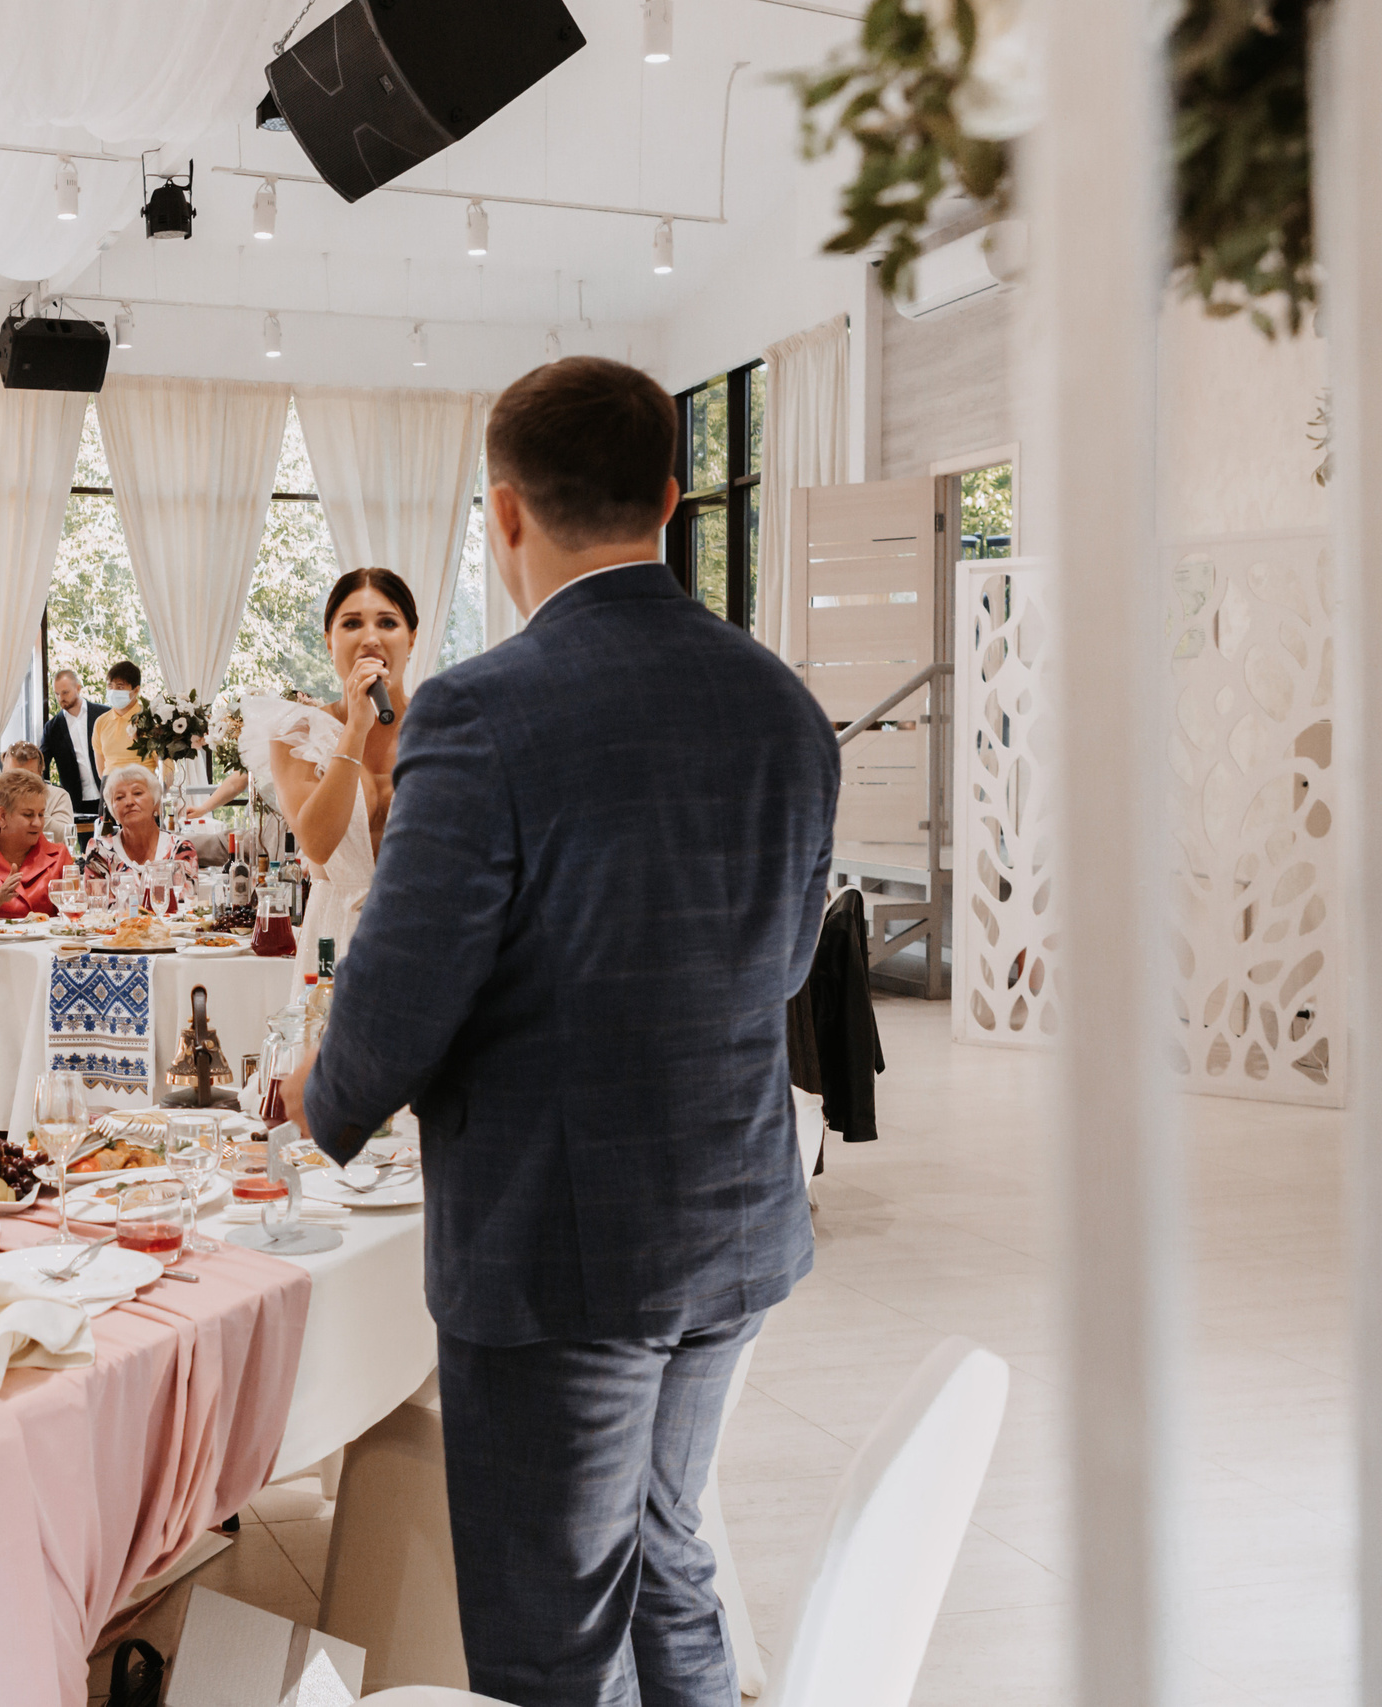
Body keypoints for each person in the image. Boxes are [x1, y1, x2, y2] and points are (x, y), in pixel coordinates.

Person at [283, 357, 840, 1706]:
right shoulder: (784, 703)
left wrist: (317, 1093)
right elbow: (776, 967)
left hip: (560, 1258)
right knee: (665, 1557)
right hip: (741, 1226)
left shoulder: (479, 709)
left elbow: (397, 1009)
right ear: (665, 496)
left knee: (548, 1642)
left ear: (505, 513)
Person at [243, 567, 419, 975]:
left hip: (422, 932)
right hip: (333, 937)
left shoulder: (446, 726)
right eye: (352, 623)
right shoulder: (296, 733)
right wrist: (355, 729)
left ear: (411, 638)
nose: (370, 637)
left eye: (388, 623)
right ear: (328, 641)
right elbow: (317, 843)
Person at [0, 768, 72, 928]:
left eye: (41, 814)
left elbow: (72, 919)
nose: (37, 823)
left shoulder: (59, 856)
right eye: (28, 815)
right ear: (2, 816)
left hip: (45, 950)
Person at [80, 765, 198, 887]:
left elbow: (186, 901)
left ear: (156, 803)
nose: (129, 802)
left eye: (137, 793)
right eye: (119, 797)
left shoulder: (180, 849)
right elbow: (97, 903)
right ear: (113, 812)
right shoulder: (100, 851)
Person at [41, 667, 106, 825]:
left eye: (65, 692)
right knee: (86, 848)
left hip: (108, 795)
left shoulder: (103, 715)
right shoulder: (52, 728)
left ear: (78, 688)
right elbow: (42, 765)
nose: (60, 698)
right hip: (77, 802)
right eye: (57, 694)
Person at [0, 740, 75, 846]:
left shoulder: (58, 796)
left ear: (40, 774)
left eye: (28, 777)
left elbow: (65, 838)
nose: (20, 784)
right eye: (14, 775)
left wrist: (36, 810)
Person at [93, 659, 144, 775]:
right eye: (110, 686)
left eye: (120, 687)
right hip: (111, 787)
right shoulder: (101, 722)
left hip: (142, 786)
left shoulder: (149, 719)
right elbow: (101, 770)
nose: (113, 691)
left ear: (136, 690)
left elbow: (164, 766)